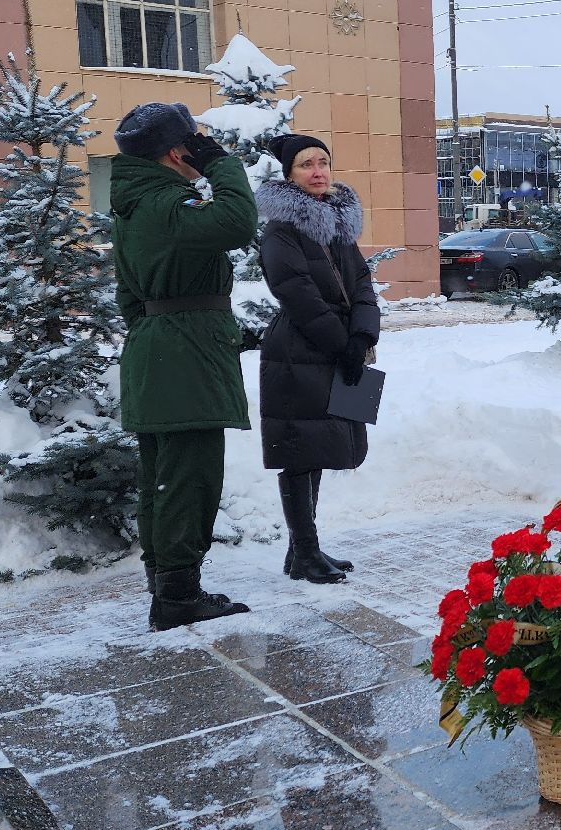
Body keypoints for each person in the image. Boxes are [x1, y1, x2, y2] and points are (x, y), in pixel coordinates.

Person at [111, 102, 257, 631]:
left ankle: (166, 586)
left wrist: (158, 333)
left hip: (159, 351)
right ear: (178, 151)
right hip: (185, 357)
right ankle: (176, 597)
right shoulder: (165, 203)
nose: (201, 146)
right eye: (194, 140)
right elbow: (238, 221)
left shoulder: (135, 205)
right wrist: (220, 163)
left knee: (163, 479)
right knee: (189, 479)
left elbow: (129, 296)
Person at [256, 134, 380, 585]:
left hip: (336, 348)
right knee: (299, 453)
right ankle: (305, 551)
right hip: (298, 351)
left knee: (320, 447)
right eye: (306, 164)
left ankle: (301, 550)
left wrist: (362, 334)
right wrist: (340, 342)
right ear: (289, 175)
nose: (318, 171)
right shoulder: (281, 231)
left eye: (323, 162)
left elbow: (362, 284)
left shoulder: (338, 227)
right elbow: (296, 292)